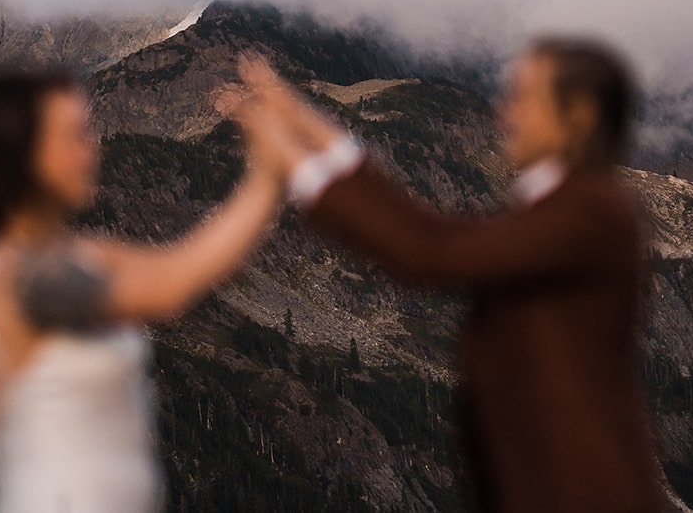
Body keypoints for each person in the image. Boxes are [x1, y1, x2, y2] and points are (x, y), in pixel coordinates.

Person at [234, 41, 664, 513]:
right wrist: (305, 123)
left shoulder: (588, 212)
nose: (505, 111)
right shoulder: (573, 205)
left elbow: (428, 252)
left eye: (523, 96)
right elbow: (431, 234)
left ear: (579, 115)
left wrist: (293, 164)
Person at [0, 67, 285, 512]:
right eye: (74, 136)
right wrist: (267, 177)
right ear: (22, 153)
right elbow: (170, 287)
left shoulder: (73, 253)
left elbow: (183, 264)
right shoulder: (18, 273)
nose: (92, 150)